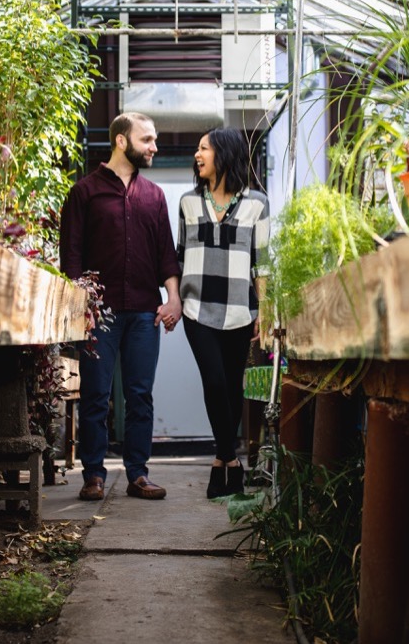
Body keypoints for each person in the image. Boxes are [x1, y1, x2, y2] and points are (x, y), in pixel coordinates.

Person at [60, 111, 182, 502]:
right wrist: (81, 307)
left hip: (145, 312)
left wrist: (173, 298)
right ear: (121, 141)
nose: (154, 147)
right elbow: (72, 258)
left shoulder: (154, 196)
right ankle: (93, 475)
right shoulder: (84, 193)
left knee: (140, 395)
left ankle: (137, 474)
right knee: (96, 395)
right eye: (147, 139)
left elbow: (166, 253)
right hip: (101, 314)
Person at [176, 127, 271, 499]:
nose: (197, 155)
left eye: (203, 149)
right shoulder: (187, 201)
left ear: (224, 153)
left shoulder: (257, 204)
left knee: (233, 388)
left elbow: (262, 263)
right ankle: (232, 460)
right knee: (214, 383)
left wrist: (266, 310)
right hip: (197, 308)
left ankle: (221, 462)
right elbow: (181, 254)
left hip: (240, 311)